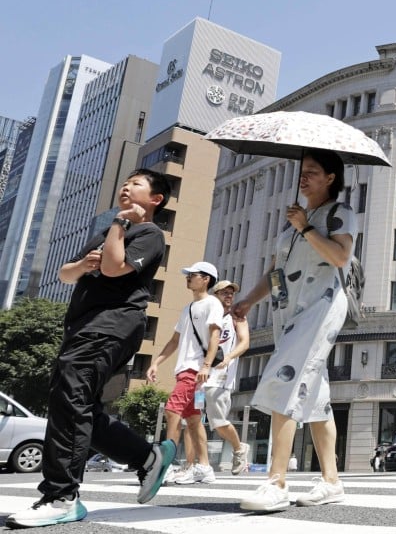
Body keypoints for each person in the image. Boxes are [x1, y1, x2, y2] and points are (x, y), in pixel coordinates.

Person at [6, 170, 176, 528]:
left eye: (136, 184)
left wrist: (118, 224)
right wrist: (83, 265)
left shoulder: (149, 234)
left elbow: (115, 269)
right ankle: (146, 457)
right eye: (124, 182)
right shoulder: (105, 234)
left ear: (156, 199)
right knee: (79, 406)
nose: (126, 187)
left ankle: (61, 495)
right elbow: (65, 274)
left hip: (113, 324)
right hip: (84, 327)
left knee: (70, 401)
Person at [233, 149, 357, 511]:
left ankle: (276, 481)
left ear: (331, 178)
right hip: (287, 313)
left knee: (282, 380)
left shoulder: (339, 213)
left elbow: (339, 257)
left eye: (312, 172)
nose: (303, 178)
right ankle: (331, 481)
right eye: (302, 172)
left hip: (320, 309)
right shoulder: (292, 224)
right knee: (316, 399)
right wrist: (249, 301)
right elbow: (276, 273)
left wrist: (305, 226)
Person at [147, 261, 223, 485]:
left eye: (193, 275)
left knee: (172, 411)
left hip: (195, 370)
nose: (188, 278)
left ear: (206, 279)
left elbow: (215, 336)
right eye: (187, 275)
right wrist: (156, 363)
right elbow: (174, 341)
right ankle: (205, 468)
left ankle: (167, 465)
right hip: (186, 370)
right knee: (193, 420)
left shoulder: (212, 304)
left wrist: (206, 365)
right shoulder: (187, 309)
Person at [206, 279, 251, 474]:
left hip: (221, 378)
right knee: (190, 419)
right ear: (214, 295)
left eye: (231, 293)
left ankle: (239, 448)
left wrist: (229, 357)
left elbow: (245, 342)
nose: (229, 295)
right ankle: (194, 463)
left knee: (218, 423)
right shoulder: (206, 315)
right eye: (224, 292)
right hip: (199, 375)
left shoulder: (237, 317)